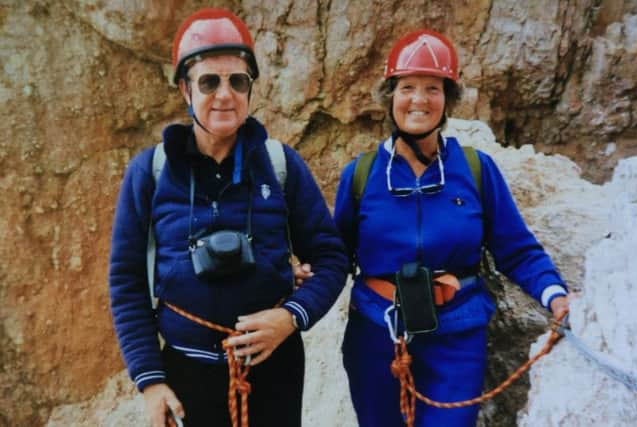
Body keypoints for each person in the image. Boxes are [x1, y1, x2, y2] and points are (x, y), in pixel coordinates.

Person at [108, 8, 348, 427]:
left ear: (250, 88)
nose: (225, 94)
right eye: (209, 81)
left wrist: (290, 316)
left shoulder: (280, 165)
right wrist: (150, 382)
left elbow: (331, 258)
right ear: (185, 89)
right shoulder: (150, 173)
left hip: (275, 374)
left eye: (238, 81)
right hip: (186, 376)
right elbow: (126, 282)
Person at [330, 30, 570, 426]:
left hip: (457, 336)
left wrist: (554, 294)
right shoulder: (361, 175)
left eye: (432, 88)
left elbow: (517, 249)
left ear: (448, 100)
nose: (419, 99)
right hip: (377, 334)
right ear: (390, 96)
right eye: (407, 87)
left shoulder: (476, 171)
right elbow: (335, 255)